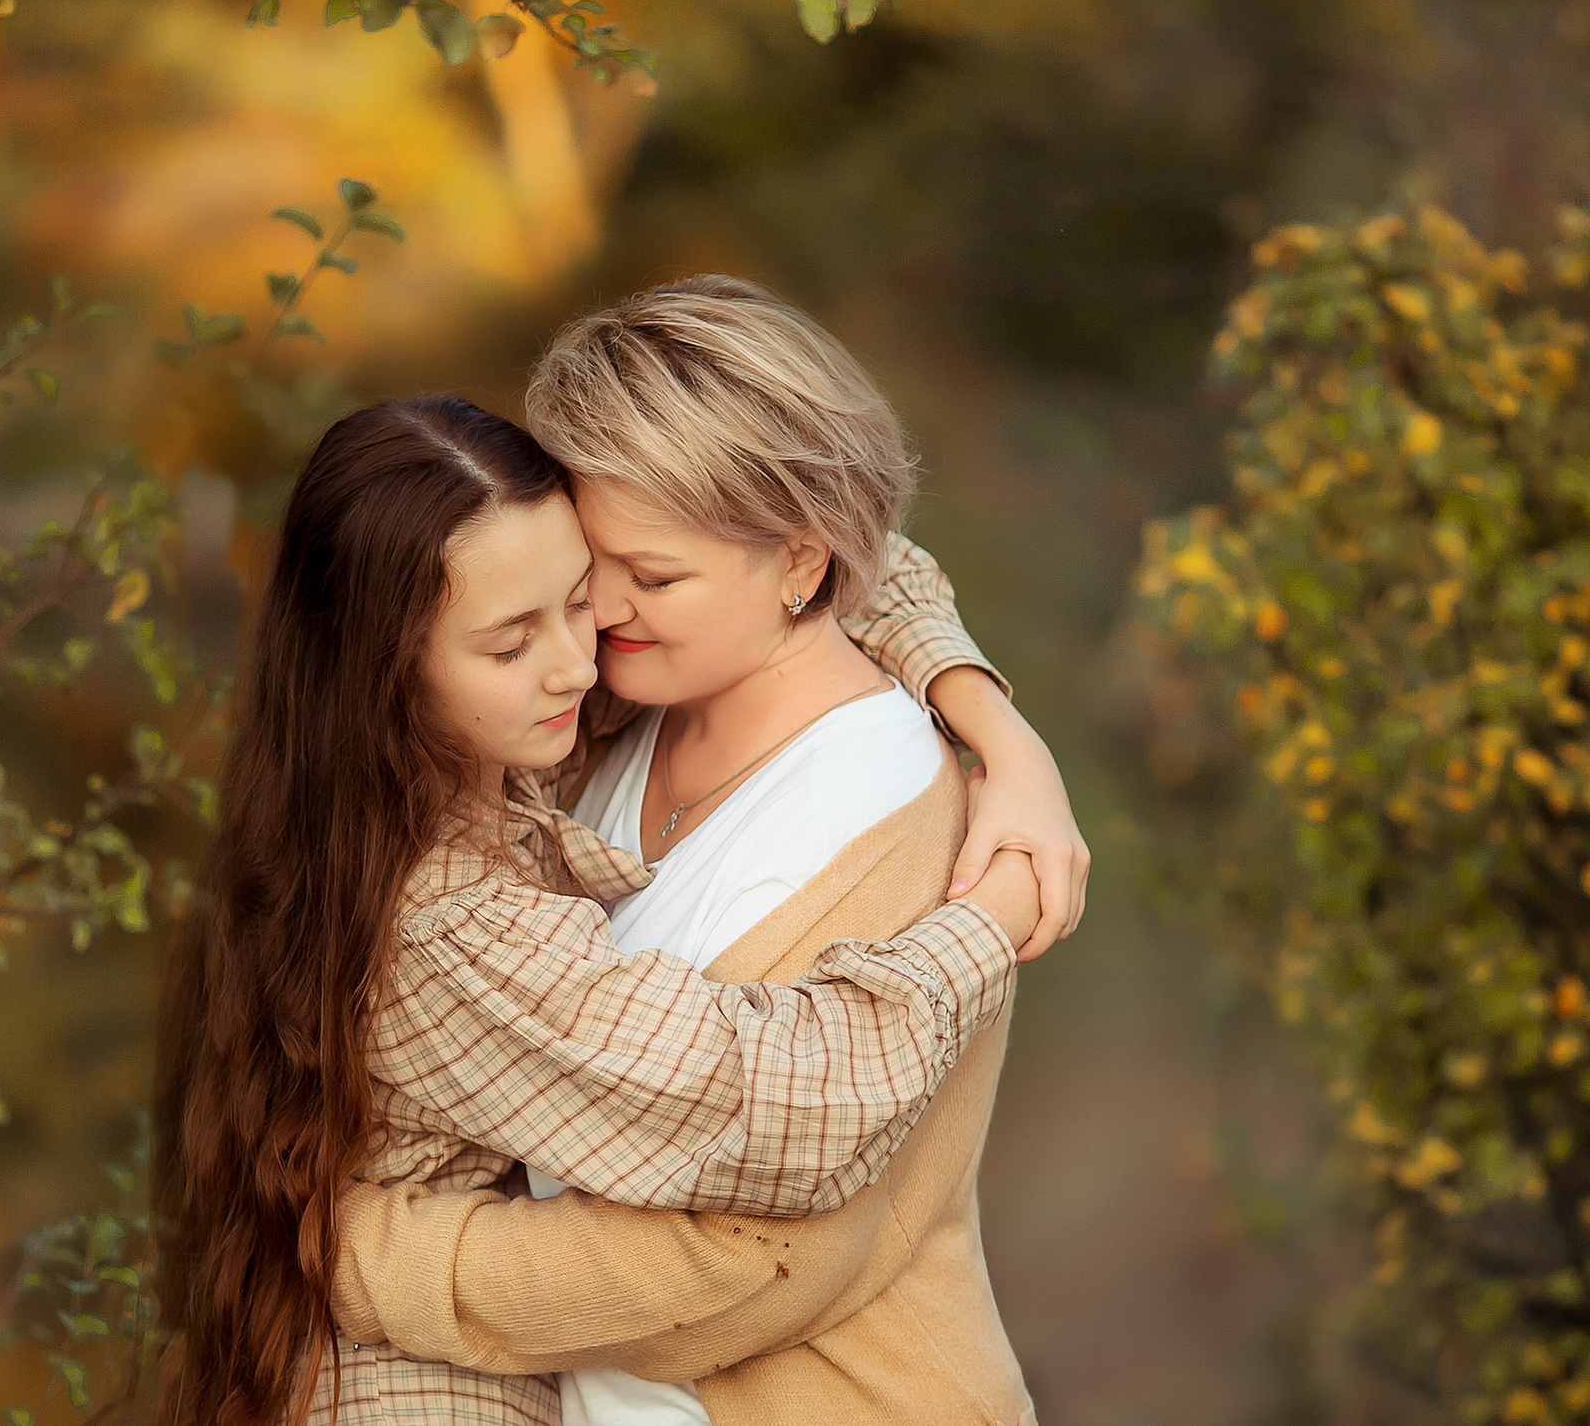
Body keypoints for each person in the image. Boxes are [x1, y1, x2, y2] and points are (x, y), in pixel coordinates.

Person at [150, 389, 1067, 1426]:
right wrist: (997, 907)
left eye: (580, 596)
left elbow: (852, 555)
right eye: (509, 642)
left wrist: (999, 732)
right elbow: (789, 1108)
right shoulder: (450, 928)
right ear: (386, 670)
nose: (579, 663)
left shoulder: (433, 762)